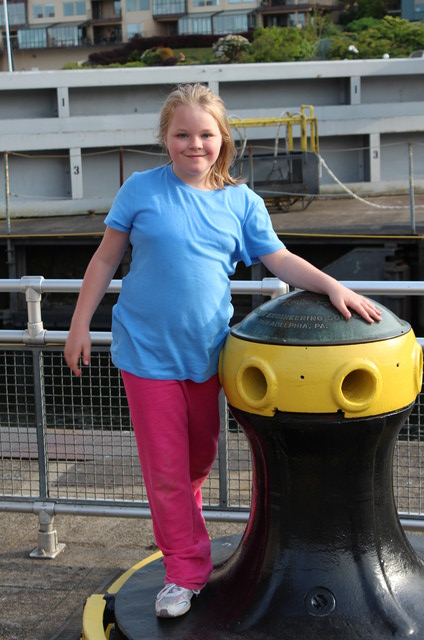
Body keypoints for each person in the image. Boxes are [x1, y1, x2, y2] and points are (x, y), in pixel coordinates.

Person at [64, 82, 381, 619]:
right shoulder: (140, 190)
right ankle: (184, 570)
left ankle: (180, 530)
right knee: (166, 470)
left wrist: (332, 286)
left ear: (222, 138)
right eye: (182, 134)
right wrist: (78, 327)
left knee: (197, 461)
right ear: (165, 138)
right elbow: (102, 261)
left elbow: (278, 260)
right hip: (144, 353)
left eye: (205, 134)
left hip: (209, 356)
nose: (194, 144)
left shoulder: (241, 202)